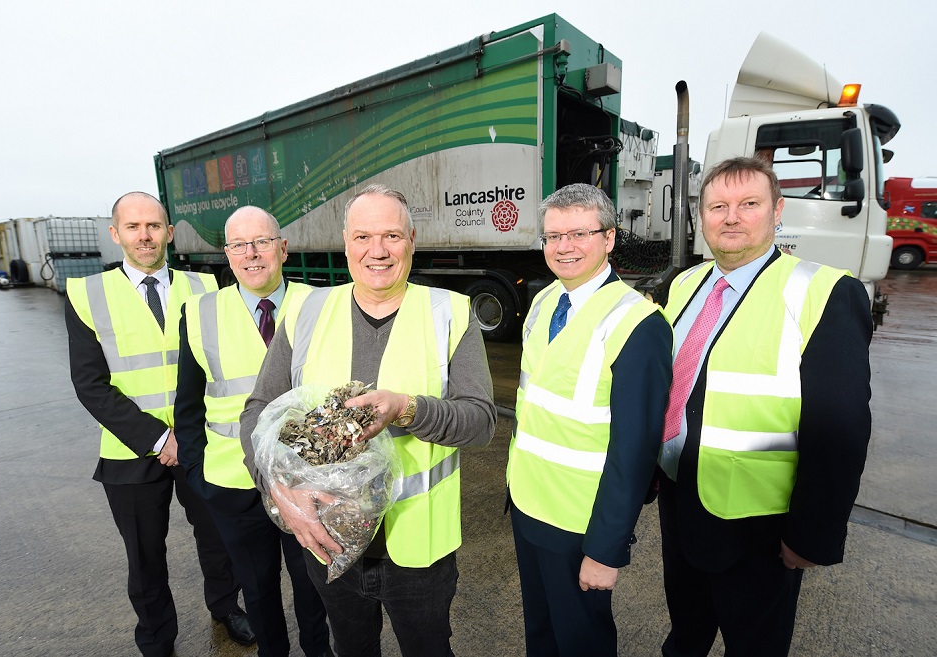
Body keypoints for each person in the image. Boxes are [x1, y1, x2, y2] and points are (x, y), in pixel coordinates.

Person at [239, 184, 497, 657]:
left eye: (391, 236)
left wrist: (407, 409)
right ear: (345, 242)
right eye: (362, 237)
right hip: (326, 539)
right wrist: (277, 490)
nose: (377, 251)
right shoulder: (306, 311)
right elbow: (258, 411)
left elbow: (481, 422)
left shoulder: (449, 312)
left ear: (412, 240)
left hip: (419, 548)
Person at [657, 157, 872, 656]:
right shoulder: (685, 285)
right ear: (701, 216)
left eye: (748, 204)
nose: (731, 217)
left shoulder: (822, 290)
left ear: (777, 212)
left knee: (755, 646)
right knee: (685, 637)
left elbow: (840, 428)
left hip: (758, 523)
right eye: (718, 206)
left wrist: (811, 535)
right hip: (680, 504)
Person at [65, 192, 253, 657]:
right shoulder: (86, 295)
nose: (145, 235)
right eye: (133, 227)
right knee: (145, 554)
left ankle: (226, 608)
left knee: (217, 538)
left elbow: (221, 364)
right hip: (131, 452)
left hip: (201, 443)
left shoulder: (206, 287)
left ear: (170, 232)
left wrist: (187, 434)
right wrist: (157, 436)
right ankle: (155, 637)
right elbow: (91, 385)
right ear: (116, 234)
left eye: (154, 226)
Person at [505, 183, 673, 656]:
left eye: (579, 233)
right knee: (541, 635)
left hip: (580, 522)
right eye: (553, 236)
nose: (564, 247)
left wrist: (606, 549)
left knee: (581, 641)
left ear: (610, 239)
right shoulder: (542, 303)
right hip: (527, 504)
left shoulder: (638, 324)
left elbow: (635, 453)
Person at [174, 206, 333, 657]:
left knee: (313, 587)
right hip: (232, 485)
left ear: (282, 248)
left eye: (262, 242)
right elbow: (187, 405)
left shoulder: (321, 303)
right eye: (240, 245)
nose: (252, 254)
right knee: (259, 591)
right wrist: (196, 475)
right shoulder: (200, 312)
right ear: (227, 254)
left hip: (307, 481)